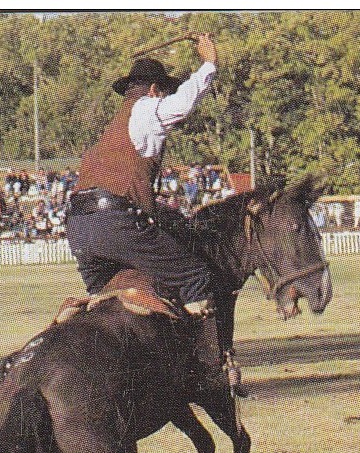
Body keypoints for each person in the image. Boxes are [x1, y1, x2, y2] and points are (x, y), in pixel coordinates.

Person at [66, 34, 242, 398]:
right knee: (197, 277)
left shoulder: (112, 129)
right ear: (152, 89)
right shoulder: (146, 109)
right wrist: (208, 65)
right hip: (115, 224)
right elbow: (179, 107)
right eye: (162, 91)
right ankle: (210, 370)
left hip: (80, 230)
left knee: (107, 300)